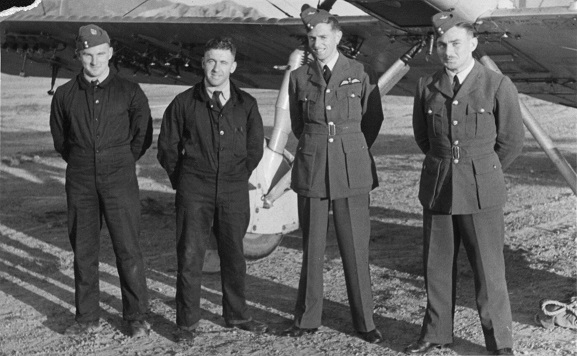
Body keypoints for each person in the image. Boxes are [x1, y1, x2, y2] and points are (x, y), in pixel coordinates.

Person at [405, 11, 524, 355]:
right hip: (439, 186)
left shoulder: (497, 85)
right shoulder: (426, 86)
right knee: (436, 266)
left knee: (489, 271)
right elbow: (424, 138)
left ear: (472, 43)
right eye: (441, 45)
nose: (448, 51)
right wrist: (451, 168)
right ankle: (435, 333)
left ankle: (499, 344)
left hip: (480, 189)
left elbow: (512, 141)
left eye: (456, 43)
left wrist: (482, 171)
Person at [281, 5, 384, 343]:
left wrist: (349, 146)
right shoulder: (299, 77)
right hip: (313, 166)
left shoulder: (359, 71)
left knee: (355, 247)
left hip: (350, 166)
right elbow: (299, 124)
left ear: (337, 37)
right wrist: (320, 146)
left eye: (323, 37)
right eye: (312, 38)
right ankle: (307, 318)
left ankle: (365, 322)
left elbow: (372, 119)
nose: (317, 44)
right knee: (311, 248)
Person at [157, 37, 266, 342]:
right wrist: (186, 181)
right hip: (195, 190)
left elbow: (254, 149)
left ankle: (237, 315)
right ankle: (187, 324)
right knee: (191, 256)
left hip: (233, 190)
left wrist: (235, 176)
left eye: (223, 62)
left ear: (233, 66)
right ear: (203, 63)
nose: (216, 68)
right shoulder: (183, 103)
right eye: (210, 61)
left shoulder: (246, 104)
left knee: (234, 255)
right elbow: (167, 148)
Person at [50, 24, 153, 337]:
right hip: (80, 177)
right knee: (84, 251)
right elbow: (61, 140)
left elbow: (142, 136)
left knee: (128, 249)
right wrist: (85, 160)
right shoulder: (65, 95)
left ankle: (136, 318)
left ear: (110, 53)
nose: (94, 61)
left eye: (100, 54)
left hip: (119, 176)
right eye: (87, 55)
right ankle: (86, 318)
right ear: (79, 56)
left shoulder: (130, 92)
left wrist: (118, 160)